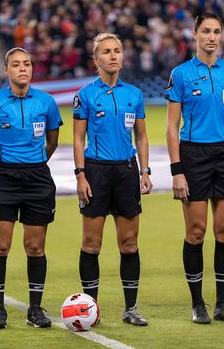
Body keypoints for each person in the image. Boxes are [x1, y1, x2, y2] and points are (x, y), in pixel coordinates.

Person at [165, 13, 224, 324]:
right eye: (206, 31)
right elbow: (172, 125)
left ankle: (222, 304)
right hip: (193, 157)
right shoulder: (181, 74)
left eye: (216, 31)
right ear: (195, 35)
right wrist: (177, 170)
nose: (212, 37)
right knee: (197, 232)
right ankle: (198, 303)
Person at [0, 47, 62, 329]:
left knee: (35, 247)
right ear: (7, 70)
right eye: (16, 64)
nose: (23, 68)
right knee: (0, 247)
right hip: (4, 179)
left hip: (37, 178)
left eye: (27, 64)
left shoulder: (47, 102)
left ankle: (35, 309)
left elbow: (52, 141)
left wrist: (33, 164)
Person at [73, 33, 153, 326]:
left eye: (117, 50)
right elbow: (78, 138)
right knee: (91, 244)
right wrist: (80, 175)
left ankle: (130, 309)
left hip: (127, 171)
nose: (113, 56)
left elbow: (142, 136)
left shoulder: (134, 94)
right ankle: (89, 308)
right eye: (106, 52)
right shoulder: (85, 95)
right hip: (96, 171)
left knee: (129, 243)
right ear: (96, 59)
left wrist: (144, 172)